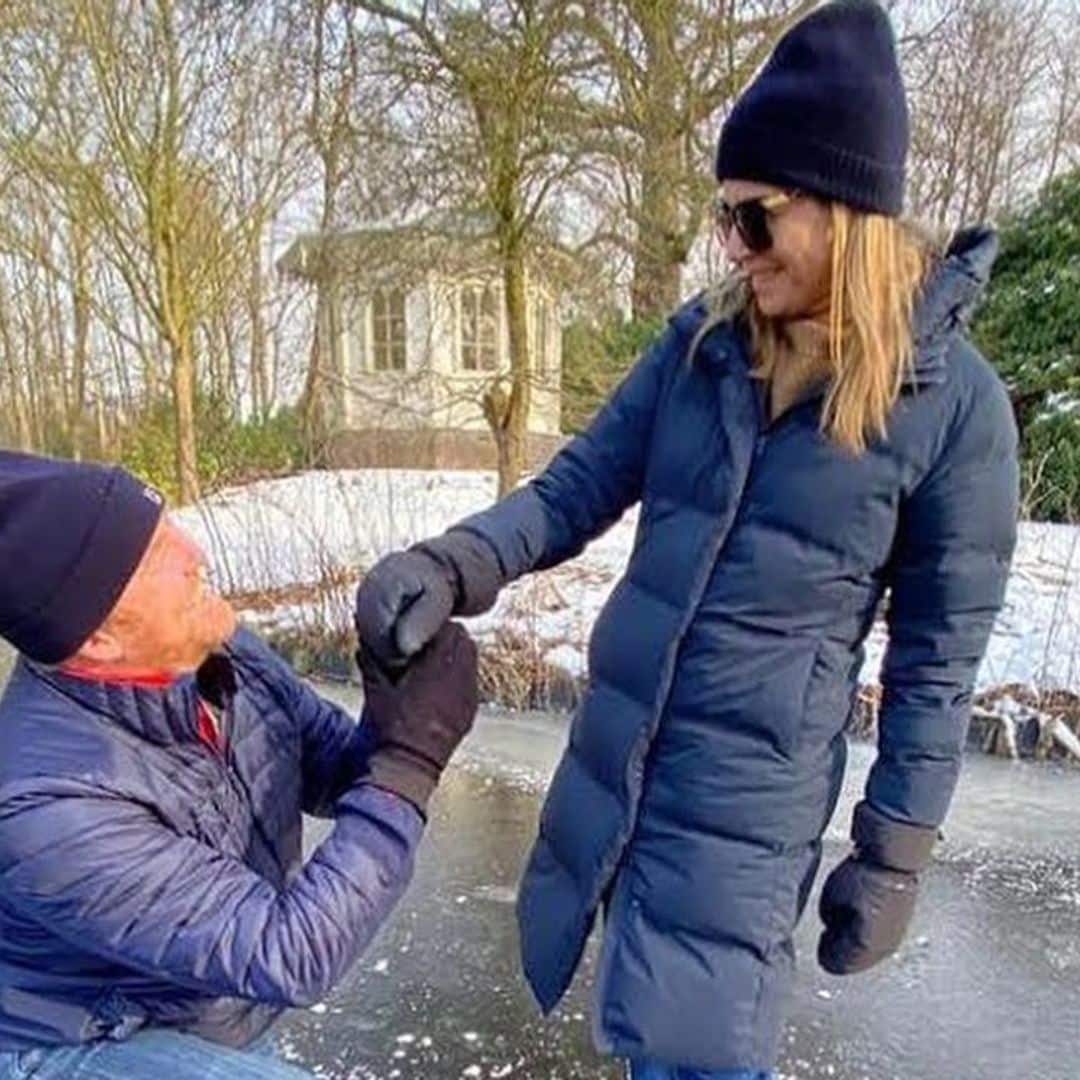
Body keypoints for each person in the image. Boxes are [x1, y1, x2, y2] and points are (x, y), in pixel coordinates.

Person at [354, 2, 1020, 1077]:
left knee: (694, 1055)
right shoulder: (703, 345)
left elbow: (937, 673)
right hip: (619, 764)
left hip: (745, 816)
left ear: (841, 211)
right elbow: (574, 489)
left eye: (755, 218)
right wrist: (451, 564)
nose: (734, 246)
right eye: (724, 218)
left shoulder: (955, 411)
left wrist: (893, 855)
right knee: (635, 1032)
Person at [0, 450, 478, 1079]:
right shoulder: (48, 804)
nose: (191, 550)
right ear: (98, 639)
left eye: (164, 522)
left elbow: (334, 769)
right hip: (81, 1035)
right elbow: (289, 952)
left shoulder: (210, 647)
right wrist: (411, 763)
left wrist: (396, 698)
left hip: (202, 1008)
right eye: (148, 556)